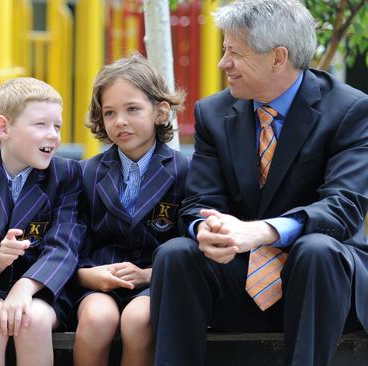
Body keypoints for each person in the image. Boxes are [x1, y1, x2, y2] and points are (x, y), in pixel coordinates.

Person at [149, 0, 368, 365]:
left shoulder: (350, 110)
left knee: (317, 250)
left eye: (235, 53)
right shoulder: (213, 113)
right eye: (224, 51)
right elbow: (199, 202)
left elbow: (343, 208)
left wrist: (262, 231)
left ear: (278, 57)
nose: (223, 64)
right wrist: (207, 228)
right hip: (241, 277)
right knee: (176, 254)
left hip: (324, 289)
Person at [72, 54, 188, 366]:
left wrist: (149, 275)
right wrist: (88, 276)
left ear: (161, 111)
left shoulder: (184, 171)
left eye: (132, 109)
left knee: (139, 320)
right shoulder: (86, 173)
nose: (120, 120)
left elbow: (187, 244)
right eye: (109, 112)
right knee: (97, 320)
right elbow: (72, 238)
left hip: (155, 282)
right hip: (97, 280)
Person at [0, 77, 86, 366]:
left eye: (57, 126)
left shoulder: (67, 176)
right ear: (3, 127)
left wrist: (25, 287)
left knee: (32, 319)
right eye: (41, 125)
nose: (53, 135)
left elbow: (64, 246)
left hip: (44, 289)